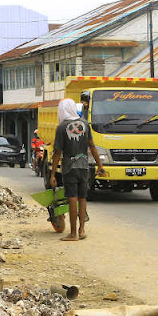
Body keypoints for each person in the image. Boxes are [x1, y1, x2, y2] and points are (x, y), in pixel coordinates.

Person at [50, 98, 106, 242]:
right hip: (84, 166)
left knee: (72, 198)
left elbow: (57, 152)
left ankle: (73, 233)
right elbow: (92, 146)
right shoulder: (85, 124)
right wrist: (100, 166)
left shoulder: (62, 127)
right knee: (82, 198)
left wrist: (52, 174)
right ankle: (81, 230)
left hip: (69, 167)